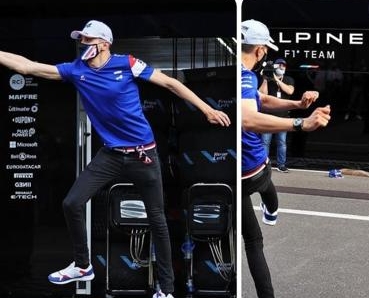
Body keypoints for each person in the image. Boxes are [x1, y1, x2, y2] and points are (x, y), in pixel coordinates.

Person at [0, 20, 231, 298]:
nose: (83, 44)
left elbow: (170, 83)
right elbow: (28, 66)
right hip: (110, 154)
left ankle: (166, 290)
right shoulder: (76, 70)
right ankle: (83, 266)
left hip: (143, 155)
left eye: (88, 40)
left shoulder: (127, 63)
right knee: (71, 203)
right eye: (81, 40)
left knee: (157, 220)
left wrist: (206, 110)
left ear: (104, 43)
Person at [241, 19, 331, 298]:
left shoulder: (235, 74)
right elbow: (248, 117)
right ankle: (272, 210)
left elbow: (260, 101)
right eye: (265, 50)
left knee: (252, 241)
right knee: (266, 176)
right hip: (251, 168)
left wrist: (296, 105)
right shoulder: (244, 76)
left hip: (233, 170)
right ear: (259, 51)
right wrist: (300, 123)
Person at [258, 58, 295, 173]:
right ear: (274, 67)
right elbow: (261, 94)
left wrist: (275, 79)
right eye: (279, 65)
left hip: (283, 117)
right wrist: (265, 79)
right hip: (268, 117)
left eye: (283, 66)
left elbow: (290, 91)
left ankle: (281, 165)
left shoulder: (288, 79)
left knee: (282, 142)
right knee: (265, 142)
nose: (281, 67)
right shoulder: (267, 79)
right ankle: (263, 165)